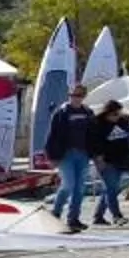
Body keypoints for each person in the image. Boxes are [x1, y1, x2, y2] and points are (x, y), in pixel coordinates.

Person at [42, 83, 100, 232]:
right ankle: (56, 212)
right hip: (66, 154)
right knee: (68, 184)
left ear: (84, 96)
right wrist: (51, 156)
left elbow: (94, 136)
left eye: (79, 95)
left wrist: (96, 154)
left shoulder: (88, 112)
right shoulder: (61, 112)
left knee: (79, 188)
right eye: (73, 95)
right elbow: (52, 135)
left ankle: (73, 218)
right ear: (69, 95)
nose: (76, 98)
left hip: (83, 154)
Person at [92, 100, 129, 227]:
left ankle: (98, 216)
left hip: (120, 160)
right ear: (107, 113)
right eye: (115, 114)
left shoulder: (122, 122)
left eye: (119, 113)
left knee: (111, 189)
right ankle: (117, 216)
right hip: (106, 161)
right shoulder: (98, 124)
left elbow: (128, 135)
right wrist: (98, 159)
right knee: (111, 189)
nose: (118, 116)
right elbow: (94, 143)